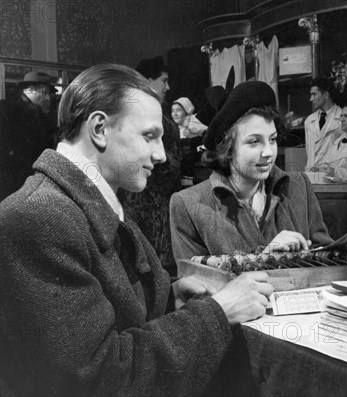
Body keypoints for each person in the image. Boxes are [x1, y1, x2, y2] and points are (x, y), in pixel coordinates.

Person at [0, 64, 273, 396]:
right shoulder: (37, 217)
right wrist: (216, 313)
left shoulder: (87, 202)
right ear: (99, 128)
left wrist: (171, 298)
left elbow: (115, 316)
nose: (160, 155)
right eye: (149, 136)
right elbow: (99, 379)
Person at [170, 81, 347, 263]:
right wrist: (264, 259)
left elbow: (321, 255)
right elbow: (194, 291)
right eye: (254, 141)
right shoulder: (189, 205)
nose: (268, 152)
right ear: (227, 149)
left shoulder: (297, 186)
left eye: (272, 139)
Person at [119, 55, 183, 275]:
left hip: (156, 201)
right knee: (147, 263)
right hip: (146, 200)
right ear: (147, 81)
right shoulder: (140, 114)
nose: (168, 86)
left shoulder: (159, 112)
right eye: (163, 80)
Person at [0, 71, 57, 201]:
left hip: (30, 187)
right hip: (14, 188)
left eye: (48, 93)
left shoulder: (42, 117)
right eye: (44, 92)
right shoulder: (7, 110)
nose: (48, 98)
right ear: (30, 90)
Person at [304, 76, 342, 171]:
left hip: (333, 177)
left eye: (314, 94)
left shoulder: (342, 118)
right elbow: (309, 152)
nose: (311, 99)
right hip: (312, 176)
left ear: (325, 95)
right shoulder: (309, 121)